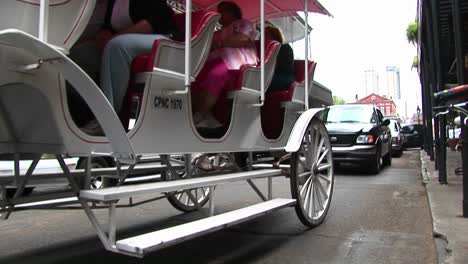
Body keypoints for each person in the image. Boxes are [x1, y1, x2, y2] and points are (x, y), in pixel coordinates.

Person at [70, 0, 177, 135]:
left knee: (116, 46)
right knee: (78, 54)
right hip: (124, 40)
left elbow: (150, 24)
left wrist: (113, 37)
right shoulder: (114, 2)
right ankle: (81, 113)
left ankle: (106, 120)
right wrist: (103, 35)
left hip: (162, 39)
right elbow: (109, 26)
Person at [191, 1, 258, 128]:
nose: (220, 14)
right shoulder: (217, 32)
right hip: (216, 61)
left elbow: (241, 39)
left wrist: (220, 44)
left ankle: (200, 114)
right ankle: (206, 114)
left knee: (215, 74)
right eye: (219, 11)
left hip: (236, 63)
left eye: (224, 11)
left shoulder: (244, 23)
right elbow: (207, 45)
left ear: (233, 12)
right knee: (194, 76)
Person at [264, 25, 295, 93]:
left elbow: (277, 65)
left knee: (262, 81)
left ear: (274, 36)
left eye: (266, 35)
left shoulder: (285, 48)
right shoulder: (264, 48)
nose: (262, 38)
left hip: (283, 76)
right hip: (269, 74)